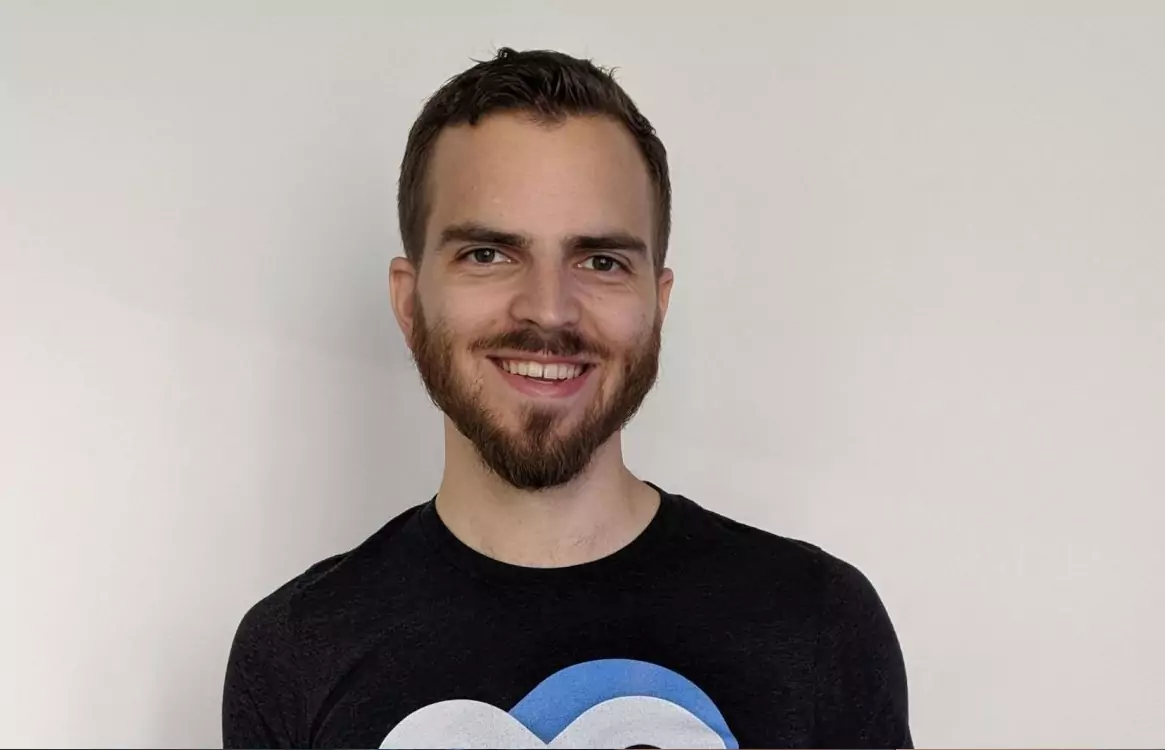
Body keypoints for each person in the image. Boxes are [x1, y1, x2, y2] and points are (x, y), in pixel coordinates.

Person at [222, 47, 912, 749]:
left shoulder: (819, 625)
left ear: (657, 303)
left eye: (601, 261)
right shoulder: (293, 652)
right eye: (488, 254)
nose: (549, 310)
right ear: (409, 301)